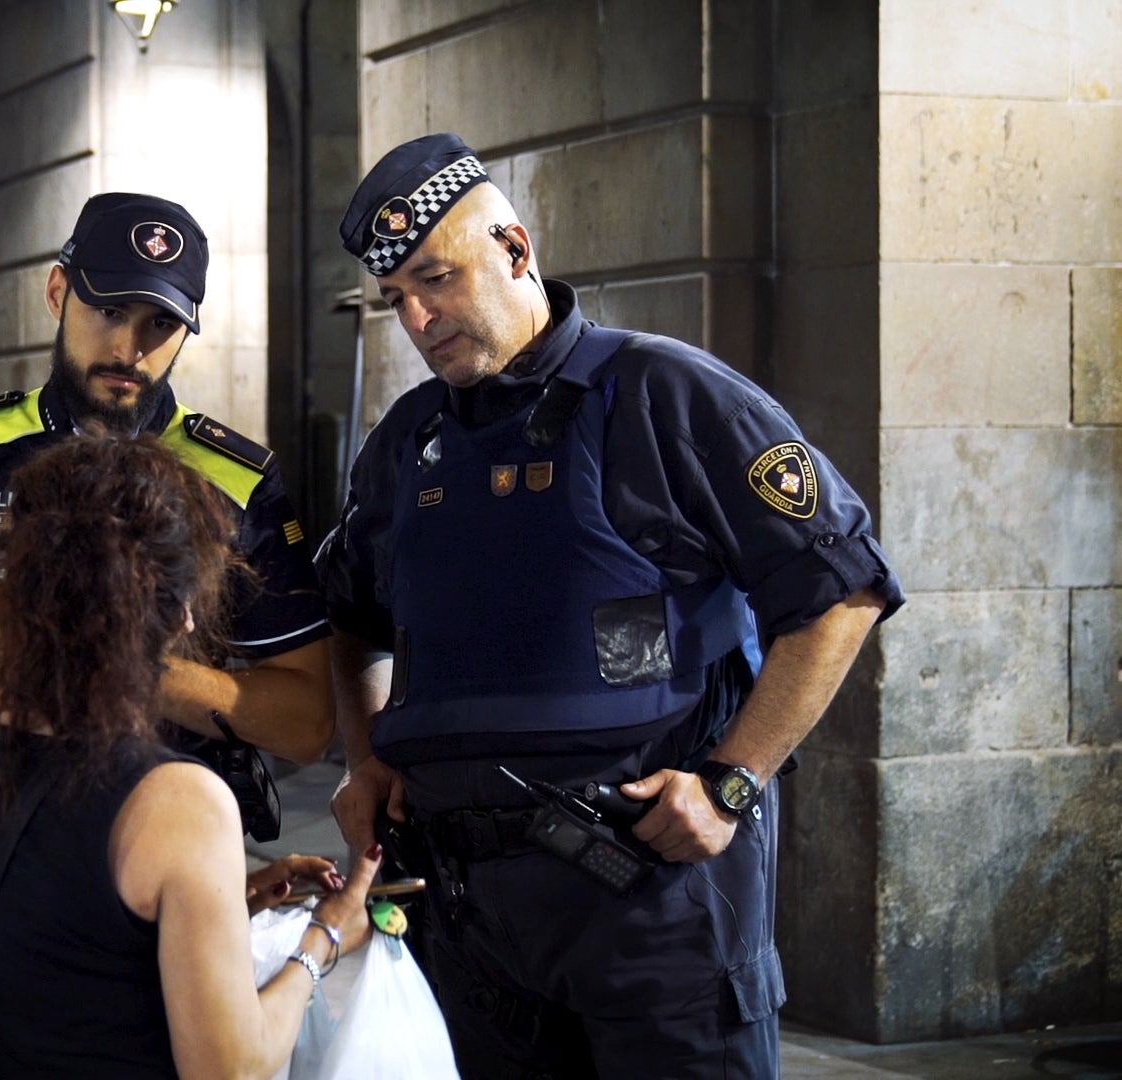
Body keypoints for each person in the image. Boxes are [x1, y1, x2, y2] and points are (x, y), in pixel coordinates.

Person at [319, 134, 906, 1077]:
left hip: (654, 908)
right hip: (469, 923)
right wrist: (367, 754)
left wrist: (732, 781)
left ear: (515, 248)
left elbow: (844, 592)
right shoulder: (407, 443)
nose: (421, 319)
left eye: (438, 279)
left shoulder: (667, 394)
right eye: (398, 302)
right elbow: (349, 619)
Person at [0, 193, 335, 836]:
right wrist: (27, 651)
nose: (129, 347)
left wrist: (140, 669)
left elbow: (308, 723)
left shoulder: (235, 482)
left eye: (161, 322)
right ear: (56, 292)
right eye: (108, 309)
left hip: (162, 846)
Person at [0, 433, 381, 1078]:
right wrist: (326, 939)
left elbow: (39, 930)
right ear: (176, 615)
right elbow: (233, 1068)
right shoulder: (177, 802)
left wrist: (208, 903)